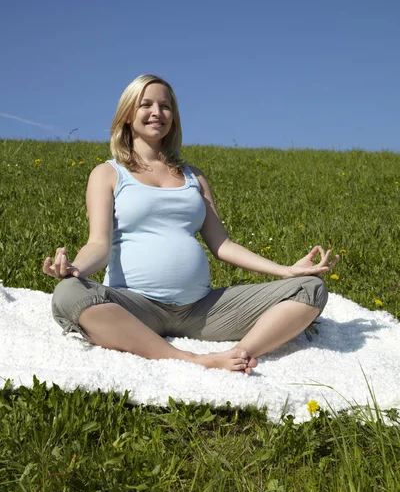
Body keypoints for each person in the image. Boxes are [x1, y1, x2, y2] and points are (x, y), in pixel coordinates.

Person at [44, 74, 338, 374]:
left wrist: (286, 271)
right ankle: (190, 359)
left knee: (310, 289)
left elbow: (222, 245)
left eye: (166, 106)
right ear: (128, 115)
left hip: (202, 310)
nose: (157, 112)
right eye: (146, 104)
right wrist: (75, 270)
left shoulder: (193, 177)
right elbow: (99, 244)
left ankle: (239, 354)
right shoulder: (107, 174)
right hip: (135, 307)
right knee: (68, 293)